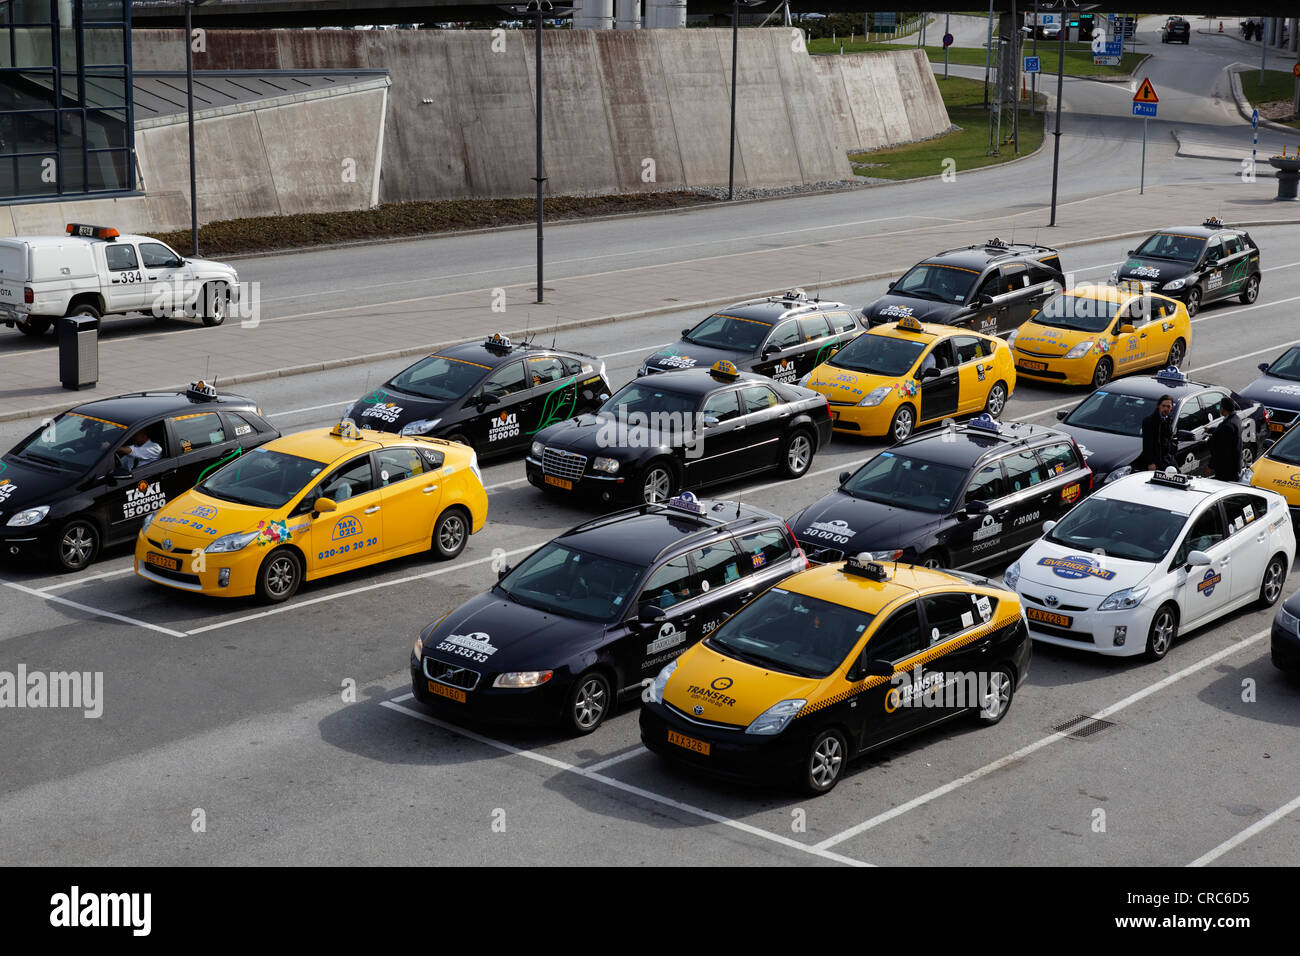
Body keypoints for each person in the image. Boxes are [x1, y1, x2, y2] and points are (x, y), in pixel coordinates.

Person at [1208, 397, 1243, 482]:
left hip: (1226, 469)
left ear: (1223, 409)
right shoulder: (1236, 419)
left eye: (1220, 407)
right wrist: (1210, 430)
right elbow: (1225, 432)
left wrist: (1210, 466)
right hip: (1234, 465)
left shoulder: (1228, 426)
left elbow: (1220, 450)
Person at [1140, 395, 1177, 472]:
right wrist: (1150, 463)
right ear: (1158, 406)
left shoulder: (1168, 419)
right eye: (1163, 406)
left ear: (1171, 408)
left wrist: (1173, 447)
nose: (1166, 409)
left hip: (1168, 458)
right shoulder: (1150, 421)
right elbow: (1147, 444)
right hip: (1157, 461)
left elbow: (1169, 438)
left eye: (1168, 406)